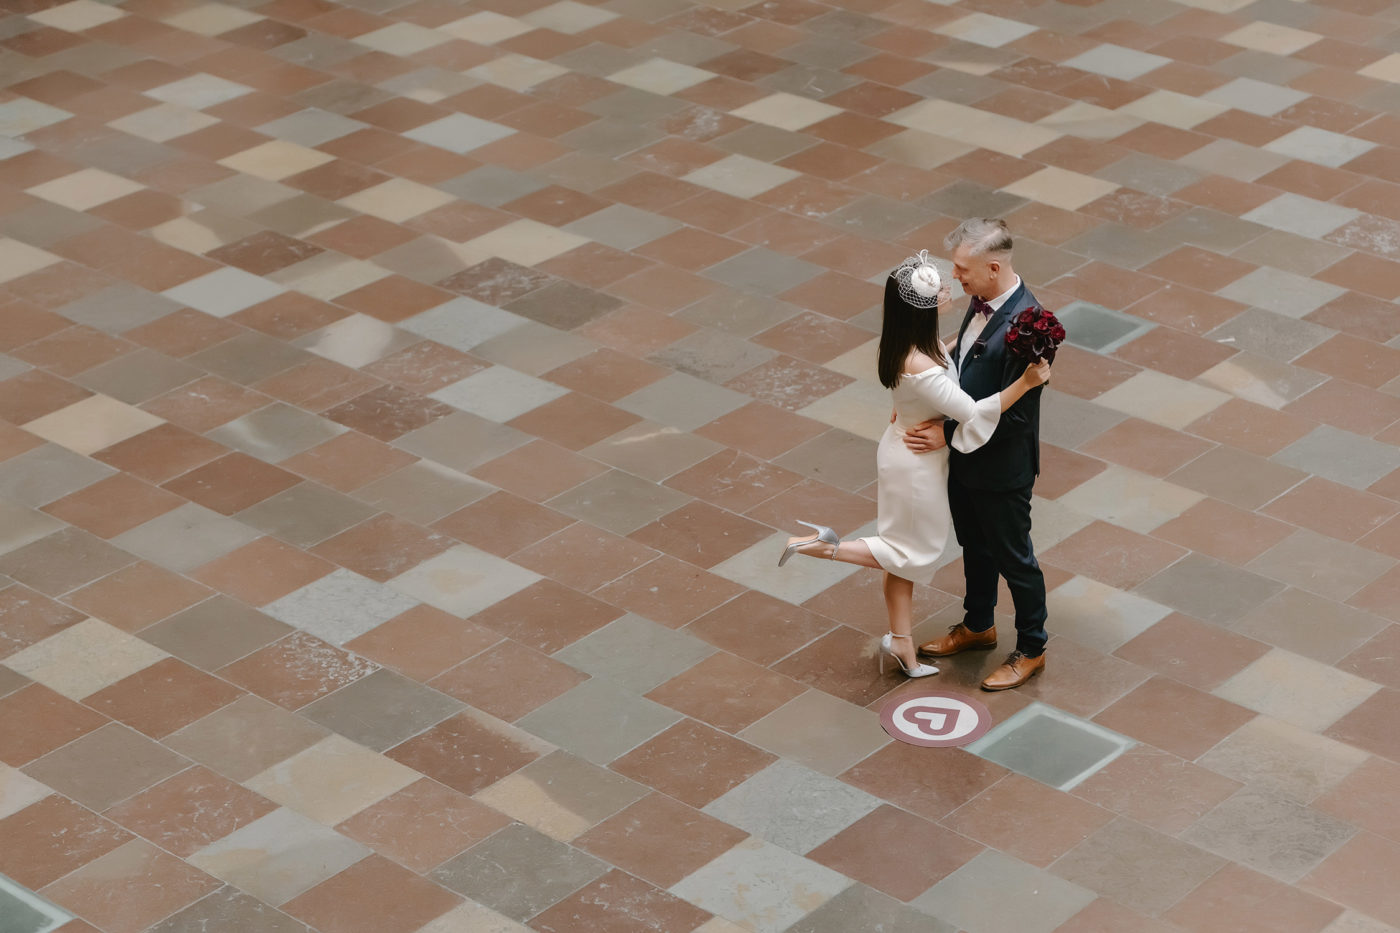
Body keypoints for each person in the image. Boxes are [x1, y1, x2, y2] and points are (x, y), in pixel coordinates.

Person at [779, 249, 1050, 679]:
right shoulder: (921, 365)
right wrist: (1026, 382)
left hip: (906, 452)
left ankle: (902, 642)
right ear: (921, 309)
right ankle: (823, 546)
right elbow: (972, 412)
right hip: (916, 466)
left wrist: (921, 393)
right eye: (937, 288)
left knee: (904, 553)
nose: (948, 286)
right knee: (910, 552)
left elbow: (943, 360)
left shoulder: (912, 343)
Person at [904, 218, 1051, 691]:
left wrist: (946, 434)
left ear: (993, 268)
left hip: (1002, 468)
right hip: (966, 460)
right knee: (974, 545)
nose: (955, 276)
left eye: (962, 269)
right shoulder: (982, 297)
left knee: (1015, 560)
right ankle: (978, 624)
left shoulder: (1030, 327)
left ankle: (1032, 648)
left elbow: (1017, 418)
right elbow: (967, 360)